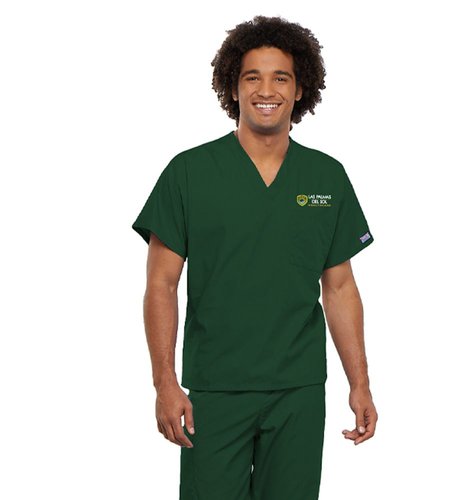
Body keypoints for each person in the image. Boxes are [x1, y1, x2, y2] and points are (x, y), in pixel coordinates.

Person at [131, 14, 378, 500]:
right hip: (214, 389)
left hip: (298, 389)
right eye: (252, 77)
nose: (266, 90)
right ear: (233, 87)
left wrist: (360, 383)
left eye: (280, 77)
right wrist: (164, 383)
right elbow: (161, 284)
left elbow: (340, 288)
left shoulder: (326, 177)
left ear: (300, 89)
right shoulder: (188, 173)